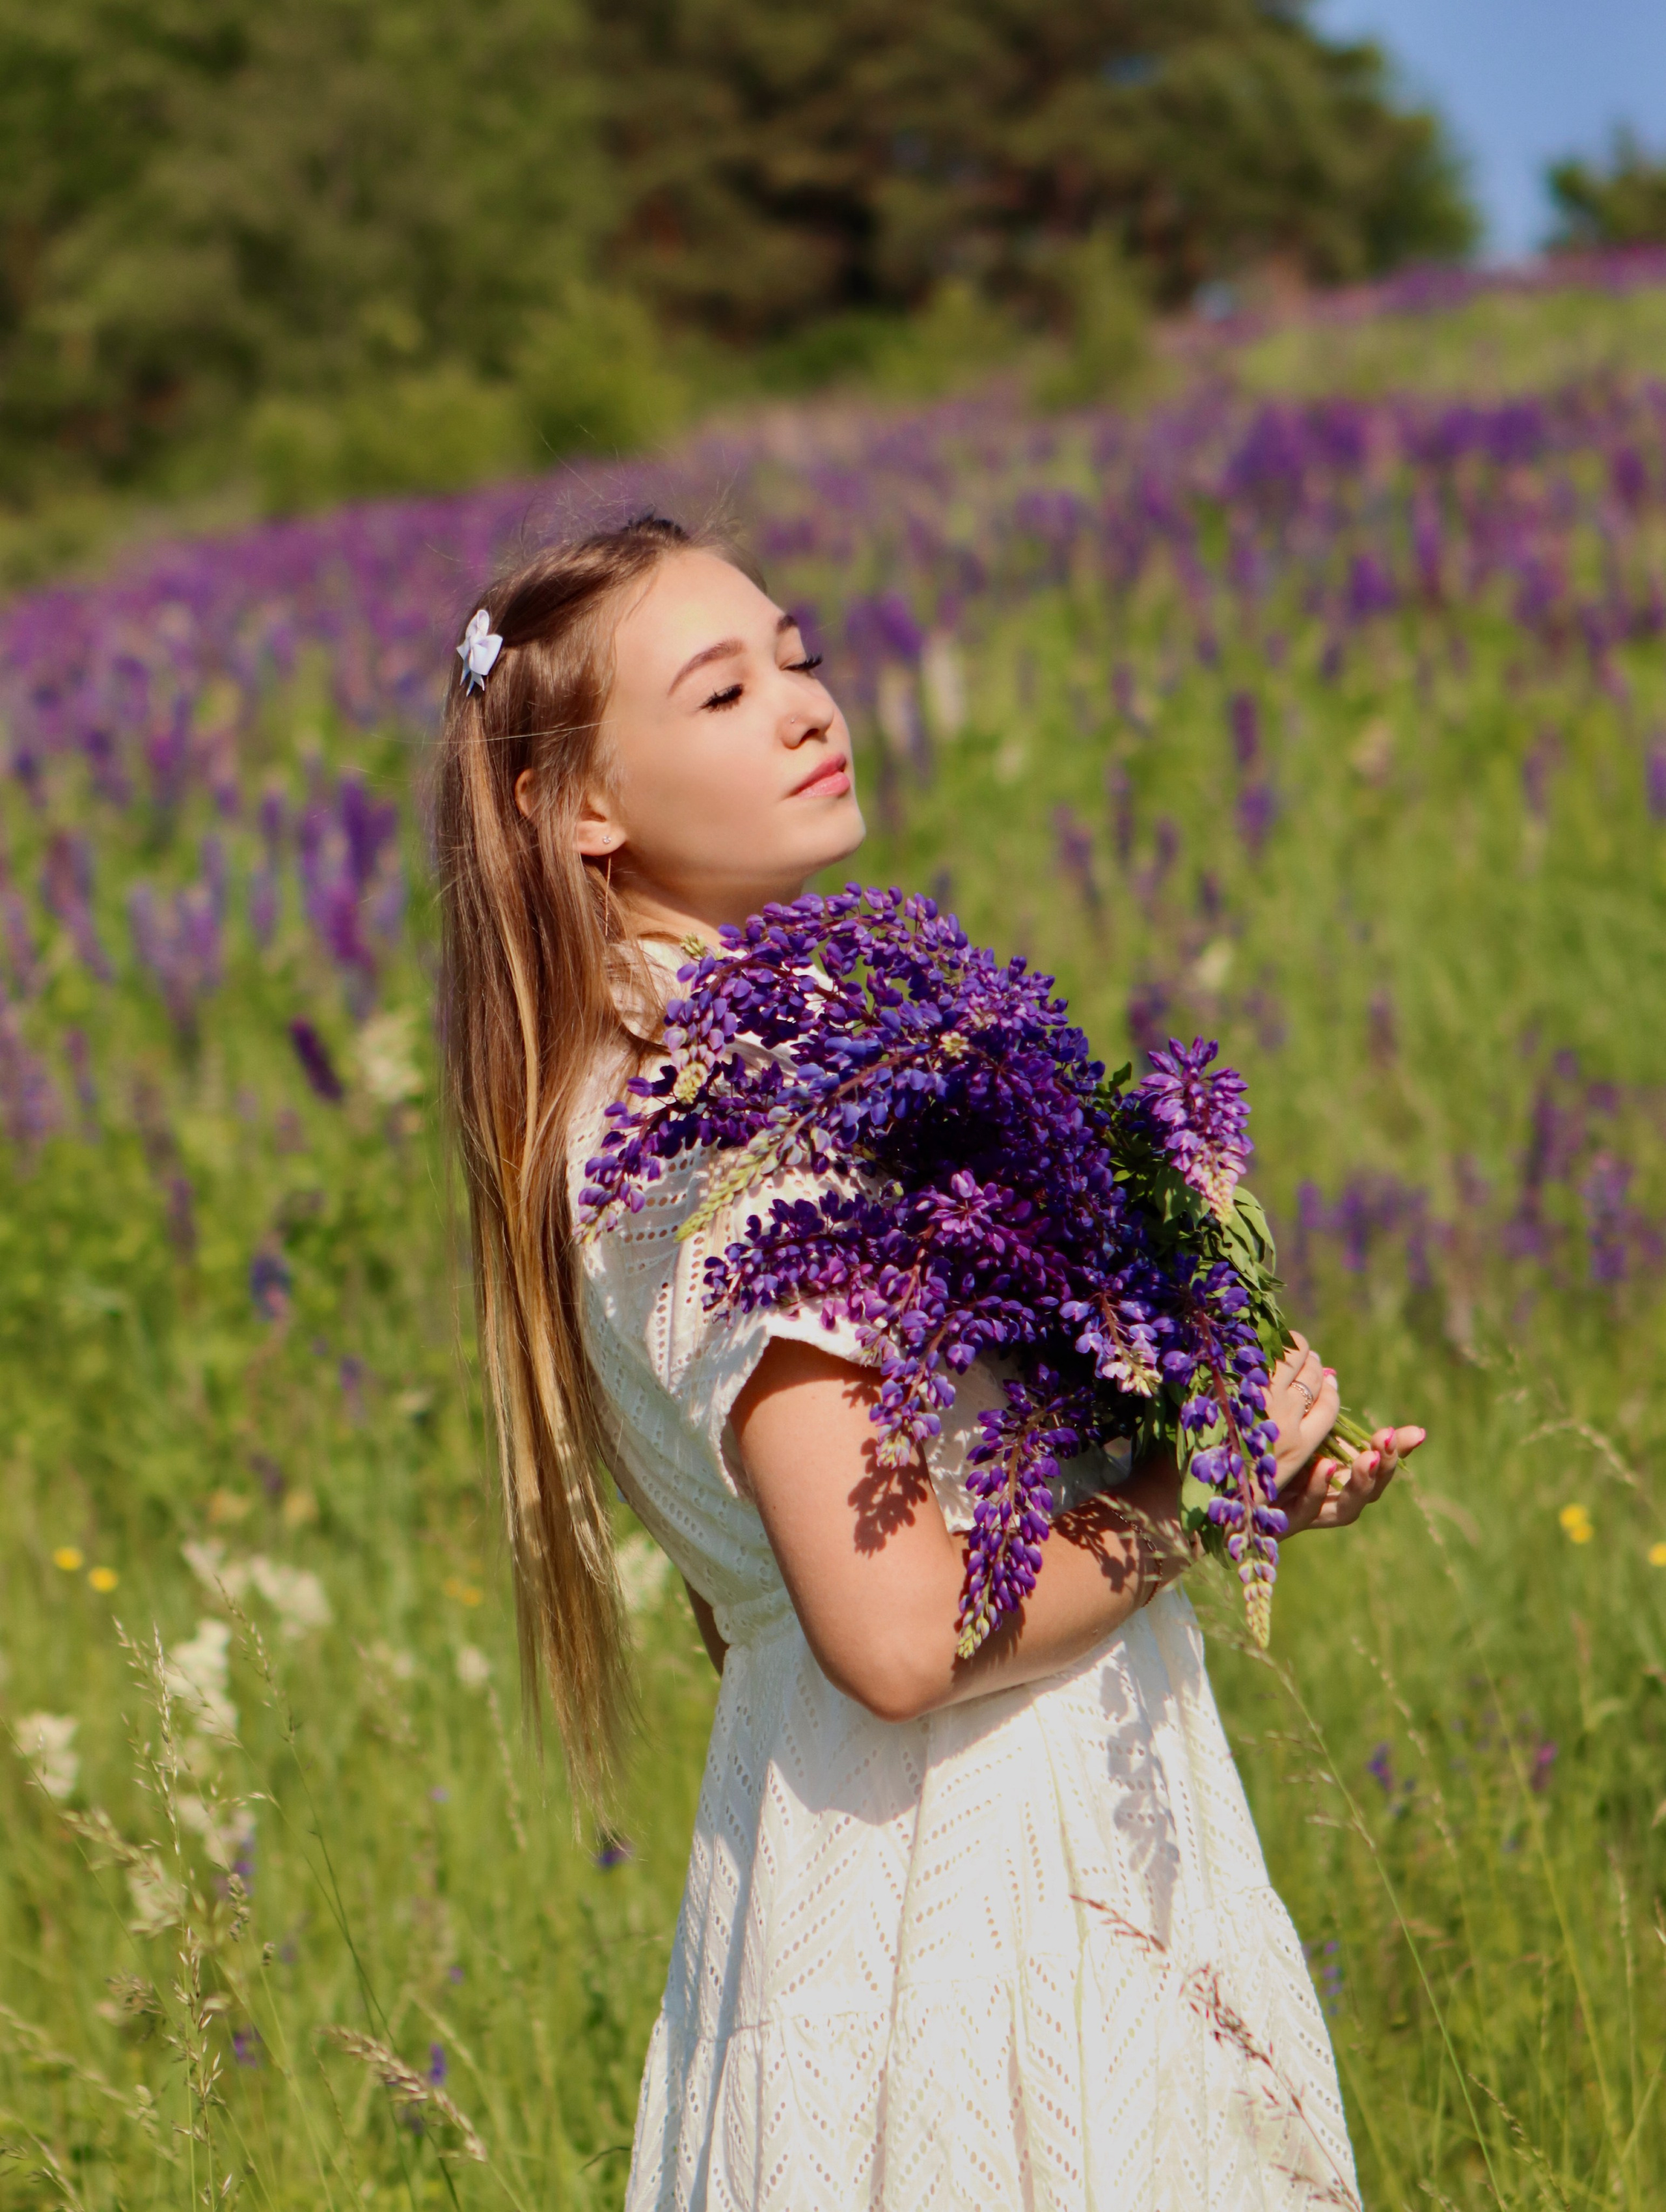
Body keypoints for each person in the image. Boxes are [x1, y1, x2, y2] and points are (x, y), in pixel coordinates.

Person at [434, 514, 1424, 2210]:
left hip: (897, 1849)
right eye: (724, 690)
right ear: (577, 805)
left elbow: (857, 1535)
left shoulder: (728, 1079)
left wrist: (1201, 1427)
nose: (808, 706)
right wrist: (1189, 1500)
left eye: (798, 656)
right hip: (971, 1886)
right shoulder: (720, 1137)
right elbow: (897, 1634)